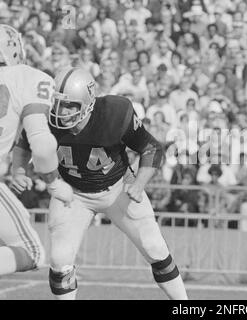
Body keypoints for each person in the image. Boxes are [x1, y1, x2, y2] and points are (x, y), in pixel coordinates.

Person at [11, 67, 187, 300]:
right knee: (60, 260)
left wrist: (139, 184)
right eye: (58, 102)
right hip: (72, 192)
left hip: (117, 187)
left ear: (88, 102)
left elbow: (151, 148)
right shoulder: (43, 116)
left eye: (70, 105)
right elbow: (23, 145)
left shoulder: (113, 113)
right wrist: (18, 169)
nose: (60, 111)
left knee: (155, 248)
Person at [0, 24, 73, 277]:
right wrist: (53, 184)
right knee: (31, 251)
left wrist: (18, 168)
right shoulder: (29, 77)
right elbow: (41, 145)